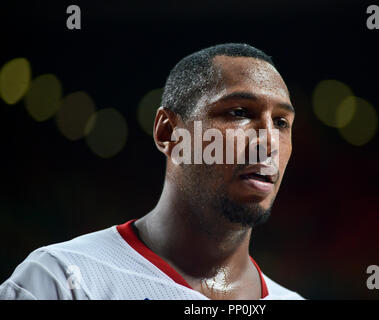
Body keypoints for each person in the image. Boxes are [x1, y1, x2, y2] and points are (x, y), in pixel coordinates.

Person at [0, 43, 304, 300]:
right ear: (169, 132)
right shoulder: (60, 279)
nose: (269, 141)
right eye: (239, 113)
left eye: (281, 122)